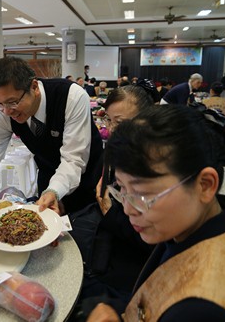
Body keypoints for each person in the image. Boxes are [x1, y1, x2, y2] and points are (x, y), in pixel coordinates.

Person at [87, 105, 225, 321]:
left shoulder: (201, 310)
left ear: (205, 185)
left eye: (142, 194)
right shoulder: (214, 217)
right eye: (121, 189)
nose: (127, 209)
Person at [0, 56, 103, 249]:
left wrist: (55, 190)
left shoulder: (72, 96)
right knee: (46, 241)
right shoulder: (4, 111)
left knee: (85, 240)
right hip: (49, 176)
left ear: (34, 87)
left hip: (88, 179)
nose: (6, 111)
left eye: (12, 102)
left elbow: (74, 160)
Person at [71, 83, 157, 321]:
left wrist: (110, 211)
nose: (111, 129)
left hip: (128, 270)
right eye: (109, 121)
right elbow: (96, 194)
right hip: (100, 248)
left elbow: (154, 242)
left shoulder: (156, 168)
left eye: (120, 122)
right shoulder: (114, 152)